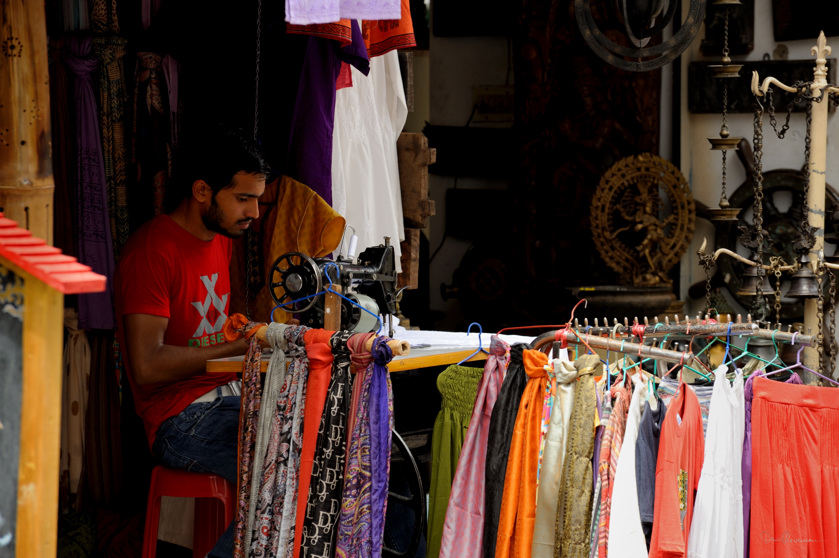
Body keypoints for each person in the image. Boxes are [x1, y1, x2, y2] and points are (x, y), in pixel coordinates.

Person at [115, 124, 270, 557]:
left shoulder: (220, 239)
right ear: (203, 190)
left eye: (256, 199)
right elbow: (146, 365)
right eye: (243, 198)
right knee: (286, 470)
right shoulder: (152, 251)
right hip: (177, 419)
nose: (254, 212)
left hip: (226, 397)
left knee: (353, 449)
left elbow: (215, 331)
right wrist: (238, 348)